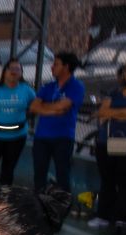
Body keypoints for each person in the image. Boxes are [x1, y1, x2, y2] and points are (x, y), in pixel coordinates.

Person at [87, 60, 126, 233]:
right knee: (107, 179)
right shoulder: (114, 93)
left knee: (125, 180)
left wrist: (115, 113)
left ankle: (123, 218)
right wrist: (123, 114)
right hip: (107, 141)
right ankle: (103, 216)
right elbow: (102, 113)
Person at [29, 52, 85, 193]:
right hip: (42, 136)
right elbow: (33, 107)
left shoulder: (76, 86)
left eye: (56, 64)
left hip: (63, 137)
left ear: (66, 67)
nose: (52, 67)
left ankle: (62, 205)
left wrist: (45, 107)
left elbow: (64, 106)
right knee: (39, 173)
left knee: (62, 174)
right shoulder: (49, 86)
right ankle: (39, 202)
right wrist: (52, 111)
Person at [0, 59, 37, 188]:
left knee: (8, 171)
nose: (14, 72)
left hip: (17, 137)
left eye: (17, 69)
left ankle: (4, 199)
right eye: (11, 69)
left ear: (21, 73)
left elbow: (37, 106)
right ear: (5, 71)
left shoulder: (26, 90)